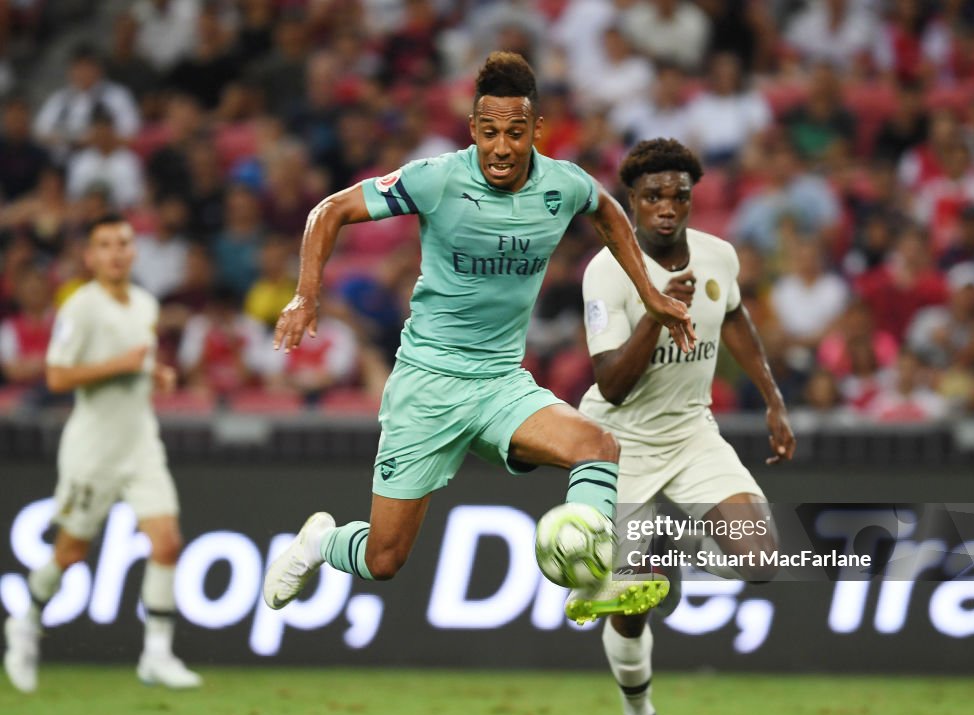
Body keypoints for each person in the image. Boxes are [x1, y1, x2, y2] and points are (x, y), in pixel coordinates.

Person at [262, 52, 695, 622]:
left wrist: (649, 293)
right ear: (473, 129)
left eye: (515, 133)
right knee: (385, 557)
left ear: (535, 131)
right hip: (427, 386)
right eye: (489, 132)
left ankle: (595, 574)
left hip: (499, 385)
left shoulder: (562, 185)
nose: (501, 146)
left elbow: (608, 212)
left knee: (598, 446)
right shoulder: (436, 178)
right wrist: (306, 293)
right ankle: (319, 542)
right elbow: (331, 209)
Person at [576, 139, 795, 715]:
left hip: (692, 432)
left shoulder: (718, 256)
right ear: (632, 203)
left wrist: (773, 399)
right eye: (652, 197)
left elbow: (734, 319)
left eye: (678, 195)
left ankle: (669, 545)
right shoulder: (606, 271)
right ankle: (639, 714)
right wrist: (659, 308)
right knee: (632, 605)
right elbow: (612, 386)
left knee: (759, 560)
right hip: (620, 445)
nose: (667, 207)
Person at [3, 214, 201, 693]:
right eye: (105, 245)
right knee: (71, 552)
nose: (116, 252)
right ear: (90, 257)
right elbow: (56, 377)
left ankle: (156, 653)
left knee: (168, 541)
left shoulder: (145, 304)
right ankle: (25, 619)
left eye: (123, 243)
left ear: (133, 252)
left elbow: (138, 358)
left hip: (141, 443)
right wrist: (120, 366)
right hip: (94, 450)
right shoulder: (80, 309)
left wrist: (154, 374)